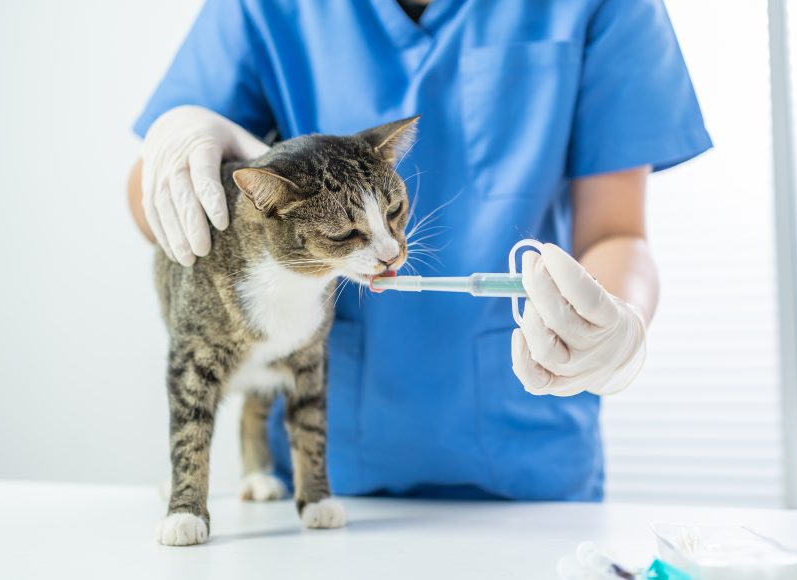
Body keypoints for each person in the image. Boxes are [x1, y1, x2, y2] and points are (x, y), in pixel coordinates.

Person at [127, 0, 711, 501]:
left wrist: (610, 326)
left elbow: (618, 233)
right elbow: (152, 205)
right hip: (324, 475)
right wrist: (180, 141)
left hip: (529, 464)